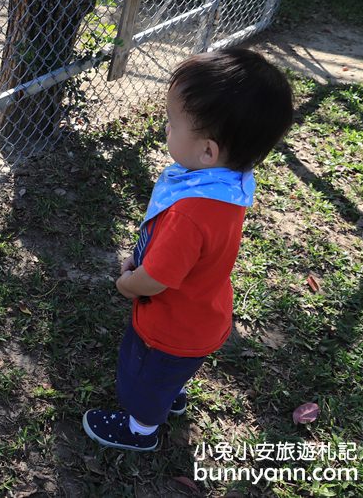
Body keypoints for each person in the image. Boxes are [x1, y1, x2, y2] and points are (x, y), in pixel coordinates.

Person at [82, 47, 295, 451]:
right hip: (205, 311)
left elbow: (158, 279)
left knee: (142, 376)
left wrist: (129, 283)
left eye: (171, 124)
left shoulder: (190, 214)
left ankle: (140, 429)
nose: (165, 129)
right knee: (171, 372)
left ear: (208, 151)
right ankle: (170, 393)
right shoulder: (230, 185)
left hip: (171, 325)